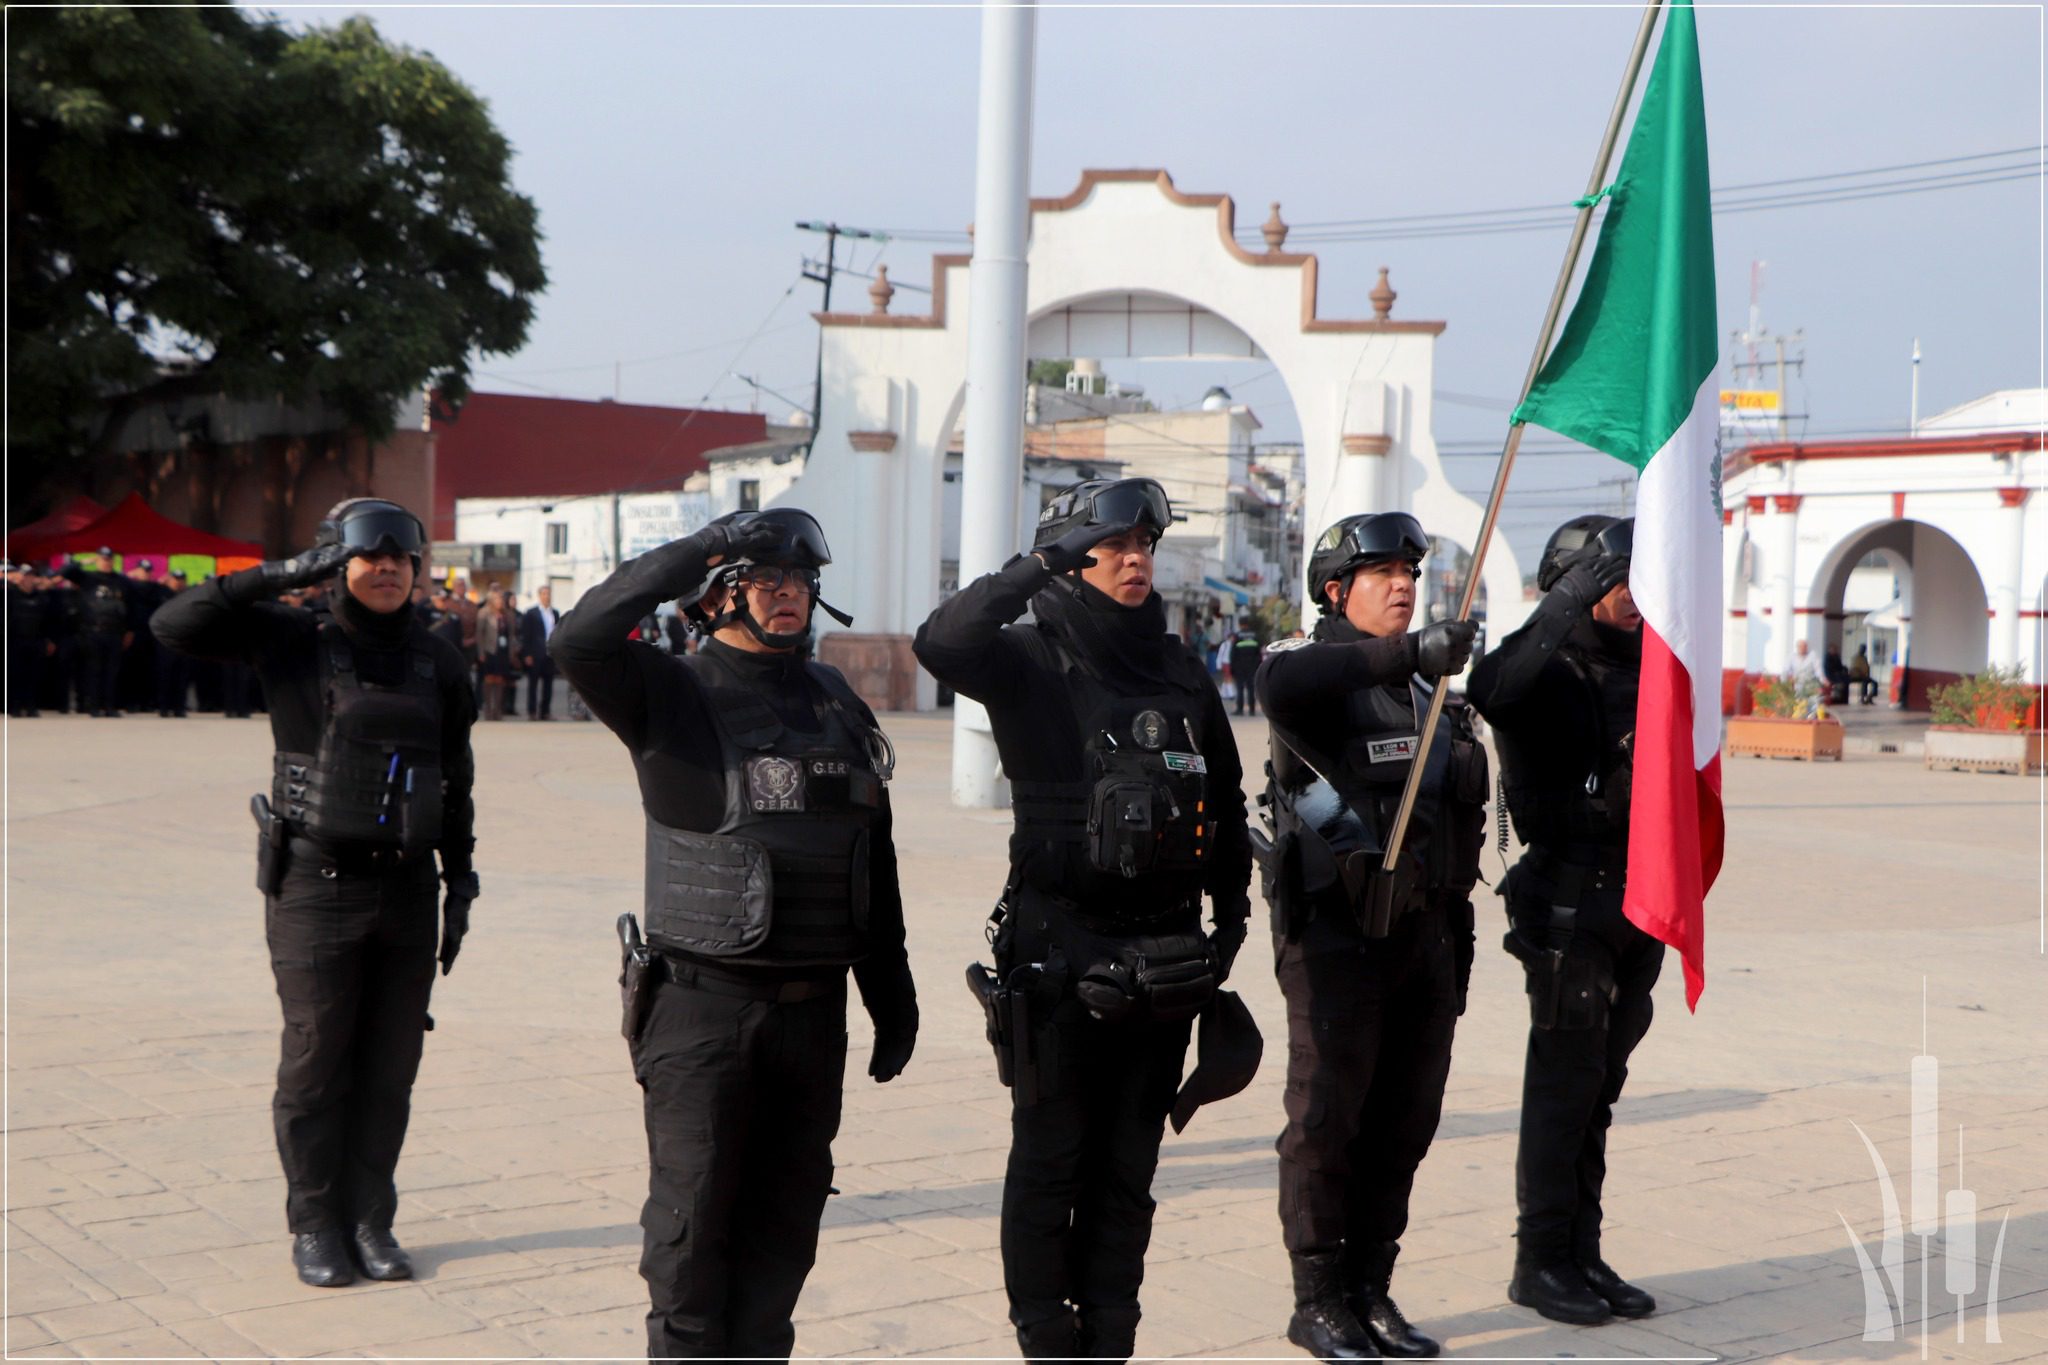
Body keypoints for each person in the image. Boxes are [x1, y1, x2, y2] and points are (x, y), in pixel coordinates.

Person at [550, 508, 917, 1361]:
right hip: (702, 1013)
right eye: (762, 578)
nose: (787, 593)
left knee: (784, 1234)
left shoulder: (835, 698)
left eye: (798, 579)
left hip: (812, 1017)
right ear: (712, 599)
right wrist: (700, 546)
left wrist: (890, 994)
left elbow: (874, 855)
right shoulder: (671, 692)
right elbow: (578, 639)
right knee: (690, 1234)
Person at [913, 477, 1253, 1362]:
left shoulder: (1180, 667)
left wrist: (1230, 926)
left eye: (1146, 543)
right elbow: (940, 642)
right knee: (1051, 1160)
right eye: (1113, 545)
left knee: (1127, 1172)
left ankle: (1110, 1336)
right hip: (1060, 957)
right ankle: (1046, 1339)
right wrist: (1036, 566)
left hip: (1167, 955)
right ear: (1073, 555)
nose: (1136, 558)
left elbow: (1223, 792)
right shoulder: (1030, 655)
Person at [151, 498, 478, 1288]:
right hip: (315, 887)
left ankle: (371, 1219)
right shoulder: (297, 641)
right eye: (369, 555)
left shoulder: (441, 661)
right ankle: (314, 1222)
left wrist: (460, 879)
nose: (388, 568)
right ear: (337, 564)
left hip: (406, 891)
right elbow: (174, 624)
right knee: (315, 1060)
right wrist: (280, 574)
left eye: (403, 556)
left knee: (391, 1064)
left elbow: (457, 778)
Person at [1254, 512, 1484, 1360]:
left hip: (1424, 937)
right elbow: (1280, 687)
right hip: (1336, 939)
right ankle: (1316, 1297)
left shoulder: (1429, 692)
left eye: (1411, 573)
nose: (1403, 586)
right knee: (1326, 1120)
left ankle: (1370, 1287)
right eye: (1382, 573)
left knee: (1404, 1119)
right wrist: (1411, 651)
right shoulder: (1304, 671)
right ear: (1333, 590)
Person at [1466, 514, 1659, 1327]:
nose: (1631, 592)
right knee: (1561, 1088)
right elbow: (1490, 687)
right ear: (1575, 582)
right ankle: (1539, 1259)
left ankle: (1582, 1249)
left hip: (1638, 898)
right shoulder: (1546, 670)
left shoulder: (1655, 664)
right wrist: (1567, 596)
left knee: (1600, 1090)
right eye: (1613, 577)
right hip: (1569, 903)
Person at [62, 549, 133, 717]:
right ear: (98, 560)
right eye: (103, 559)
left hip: (115, 632)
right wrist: (84, 561)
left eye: (109, 559)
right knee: (93, 670)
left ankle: (109, 706)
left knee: (112, 671)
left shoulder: (121, 581)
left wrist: (130, 630)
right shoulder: (88, 578)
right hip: (93, 631)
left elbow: (131, 606)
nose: (106, 562)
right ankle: (93, 706)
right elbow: (66, 572)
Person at [5, 563, 54, 716]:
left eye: (31, 576)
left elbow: (48, 620)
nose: (28, 579)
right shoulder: (9, 595)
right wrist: (9, 580)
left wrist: (49, 640)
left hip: (36, 640)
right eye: (25, 575)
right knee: (15, 675)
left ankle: (31, 706)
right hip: (15, 640)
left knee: (34, 675)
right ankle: (15, 707)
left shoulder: (41, 598)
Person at [152, 570, 193, 716]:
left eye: (181, 579)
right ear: (170, 580)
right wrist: (158, 582)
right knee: (165, 676)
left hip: (183, 641)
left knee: (182, 677)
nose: (178, 582)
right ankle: (164, 707)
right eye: (176, 579)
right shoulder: (160, 593)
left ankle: (179, 708)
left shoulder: (188, 596)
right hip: (165, 641)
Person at [474, 588, 515, 721]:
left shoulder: (507, 614)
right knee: (489, 680)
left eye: (502, 599)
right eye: (498, 599)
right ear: (491, 600)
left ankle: (498, 710)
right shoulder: (484, 613)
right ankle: (488, 710)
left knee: (500, 680)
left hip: (502, 651)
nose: (501, 601)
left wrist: (512, 652)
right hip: (489, 650)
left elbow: (511, 634)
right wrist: (480, 652)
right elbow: (479, 634)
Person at [521, 585, 559, 719]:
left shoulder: (555, 613)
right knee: (533, 684)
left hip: (549, 654)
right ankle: (532, 711)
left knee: (548, 684)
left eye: (548, 594)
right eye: (544, 594)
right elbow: (526, 635)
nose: (546, 596)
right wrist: (527, 654)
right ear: (539, 596)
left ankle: (545, 712)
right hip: (535, 653)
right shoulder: (531, 613)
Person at [1229, 616, 1264, 717]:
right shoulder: (1255, 635)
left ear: (1240, 624)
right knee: (1251, 688)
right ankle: (1252, 710)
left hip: (1239, 667)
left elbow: (1233, 653)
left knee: (1240, 688)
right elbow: (1259, 652)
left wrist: (1232, 667)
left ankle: (1240, 709)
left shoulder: (1237, 636)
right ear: (1248, 624)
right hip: (1252, 666)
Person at [1787, 639, 1828, 719]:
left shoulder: (1813, 656)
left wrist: (1823, 680)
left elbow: (1818, 670)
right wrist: (1786, 682)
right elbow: (1786, 670)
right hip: (1798, 685)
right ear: (1797, 647)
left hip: (1811, 684)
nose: (1802, 648)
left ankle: (1812, 719)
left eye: (1804, 646)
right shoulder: (1792, 657)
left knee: (1813, 704)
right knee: (1800, 705)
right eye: (1800, 646)